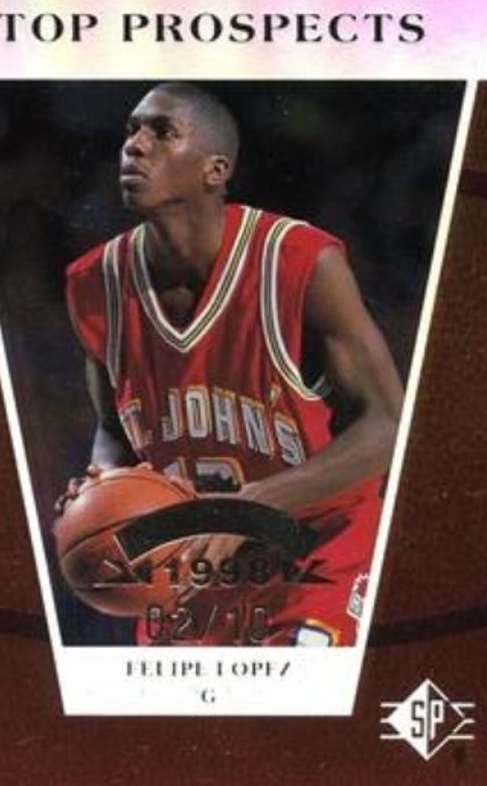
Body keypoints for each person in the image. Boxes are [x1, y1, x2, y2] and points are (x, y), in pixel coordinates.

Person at [62, 81, 404, 647]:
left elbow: (388, 423)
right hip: (191, 569)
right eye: (131, 131)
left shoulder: (298, 261)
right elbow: (113, 428)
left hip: (317, 551)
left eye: (162, 132)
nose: (135, 145)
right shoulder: (94, 283)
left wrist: (255, 507)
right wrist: (102, 486)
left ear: (214, 170)